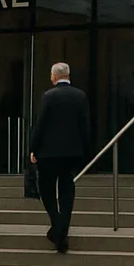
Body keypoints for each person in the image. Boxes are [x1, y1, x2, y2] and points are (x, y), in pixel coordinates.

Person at [30, 62, 91, 253]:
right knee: (67, 189)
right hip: (72, 152)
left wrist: (33, 148)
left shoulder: (49, 96)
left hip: (48, 152)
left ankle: (57, 225)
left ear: (54, 77)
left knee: (46, 189)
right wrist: (86, 151)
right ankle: (62, 228)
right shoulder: (80, 96)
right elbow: (85, 126)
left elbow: (41, 124)